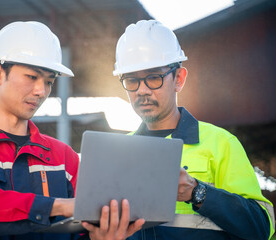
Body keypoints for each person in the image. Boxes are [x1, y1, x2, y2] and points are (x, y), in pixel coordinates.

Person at [0, 21, 143, 240]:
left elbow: (80, 232)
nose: (41, 91)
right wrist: (58, 206)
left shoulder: (64, 158)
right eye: (32, 77)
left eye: (49, 82)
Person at [112, 20, 275, 240]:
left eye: (153, 77)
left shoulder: (221, 143)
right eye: (131, 80)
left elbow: (261, 228)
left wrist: (195, 191)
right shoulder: (117, 153)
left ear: (178, 79)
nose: (142, 90)